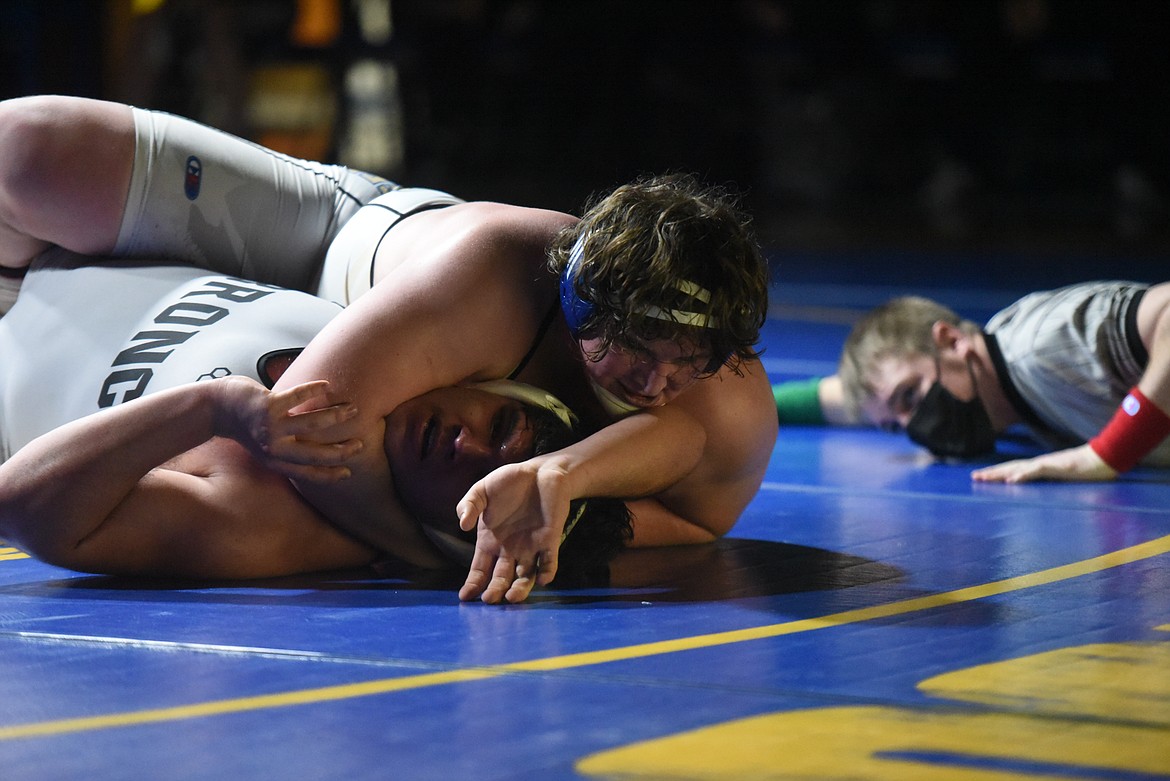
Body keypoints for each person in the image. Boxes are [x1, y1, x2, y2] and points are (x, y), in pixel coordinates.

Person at [0, 95, 777, 604]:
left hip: (116, 357)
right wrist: (423, 549)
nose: (654, 380)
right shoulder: (497, 279)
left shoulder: (718, 399)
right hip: (331, 243)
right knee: (28, 151)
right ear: (574, 299)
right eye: (636, 349)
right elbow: (310, 417)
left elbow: (692, 495)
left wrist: (559, 474)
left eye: (689, 362)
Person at [0, 250, 631, 581]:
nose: (461, 447)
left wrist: (208, 408)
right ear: (501, 388)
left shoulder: (272, 522)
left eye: (474, 492)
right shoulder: (414, 338)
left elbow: (19, 502)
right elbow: (691, 441)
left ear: (448, 541)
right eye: (497, 427)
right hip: (37, 250)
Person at [770, 282, 1170, 483]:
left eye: (910, 397)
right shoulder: (998, 384)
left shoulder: (1045, 343)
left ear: (950, 341)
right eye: (895, 427)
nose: (915, 425)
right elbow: (836, 399)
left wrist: (1107, 453)